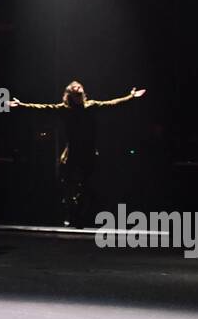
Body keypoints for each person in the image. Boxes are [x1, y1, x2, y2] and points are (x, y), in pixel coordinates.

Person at [10, 80, 146, 226]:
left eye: (79, 89)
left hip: (88, 153)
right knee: (69, 185)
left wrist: (130, 97)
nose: (78, 90)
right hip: (72, 153)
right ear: (70, 95)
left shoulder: (91, 106)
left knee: (87, 186)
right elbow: (43, 108)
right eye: (75, 90)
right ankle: (71, 212)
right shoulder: (65, 109)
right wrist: (21, 105)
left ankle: (80, 213)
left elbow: (112, 104)